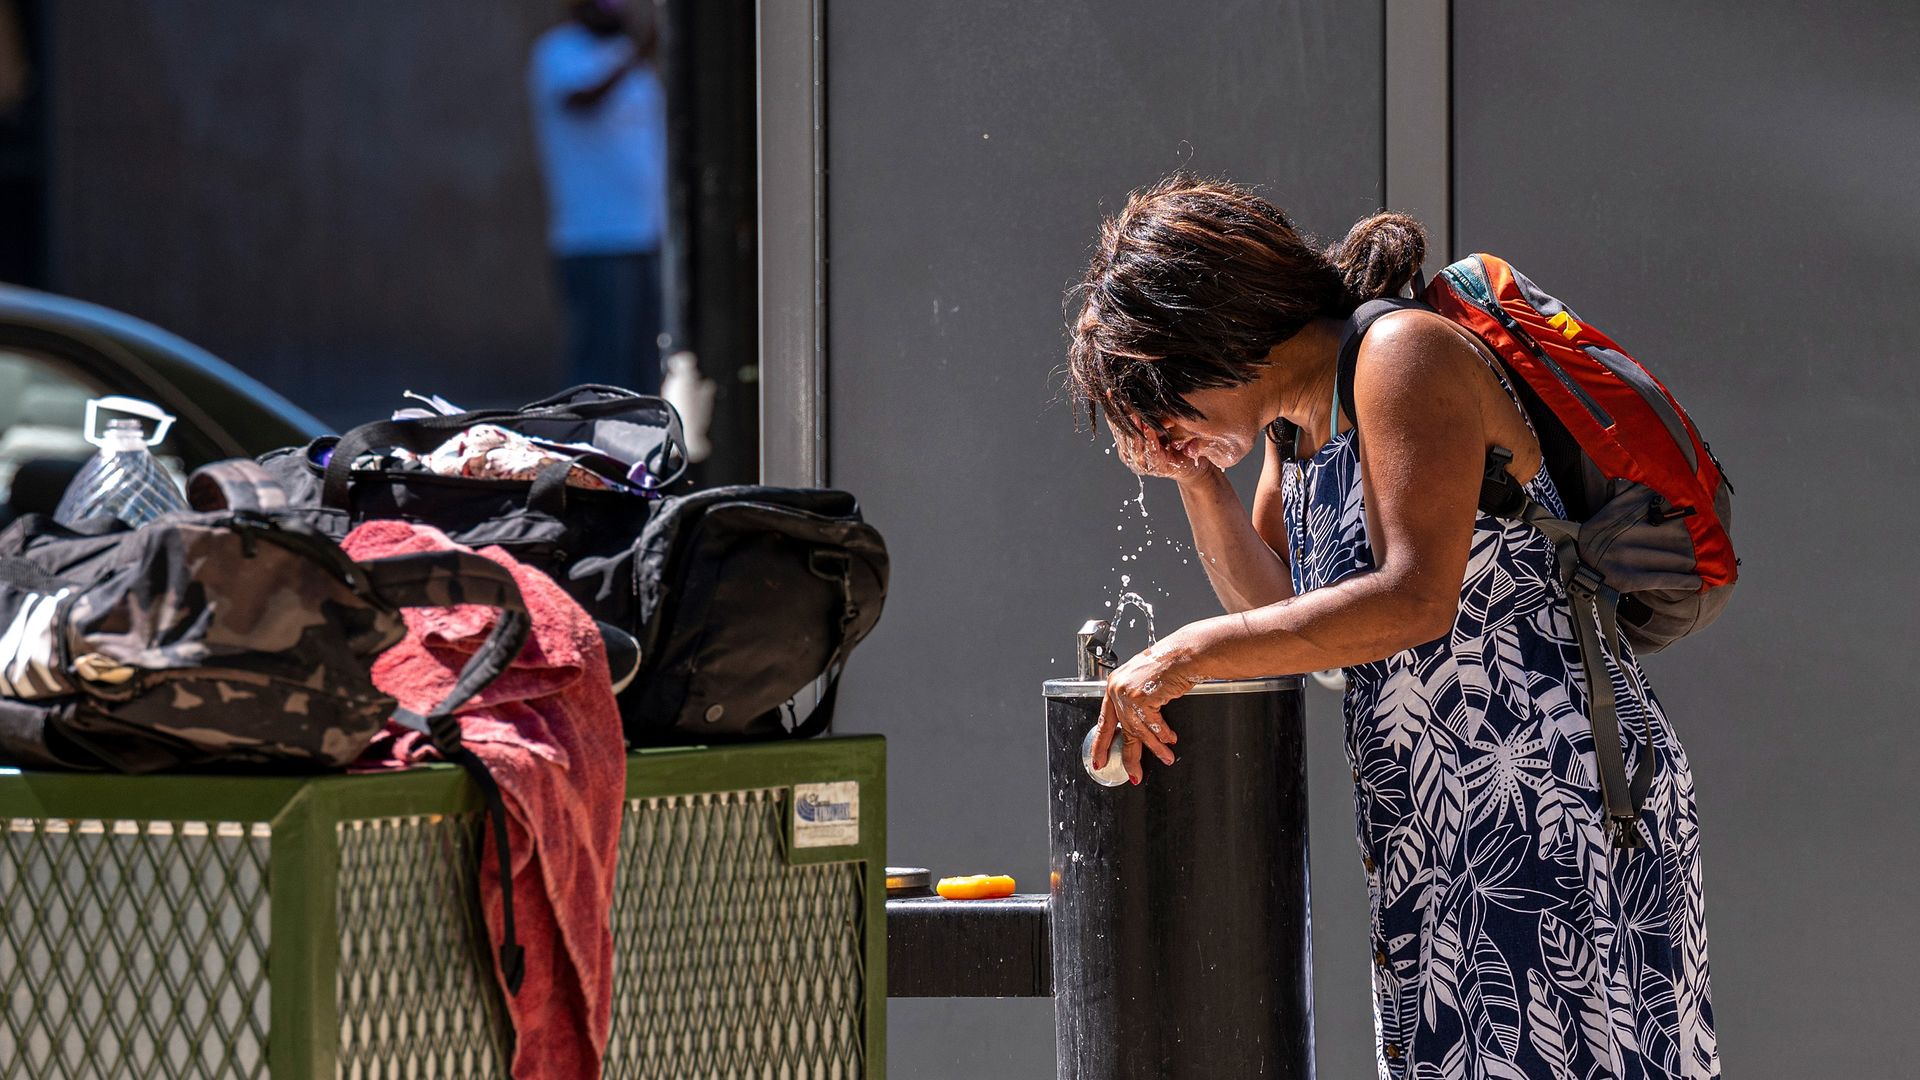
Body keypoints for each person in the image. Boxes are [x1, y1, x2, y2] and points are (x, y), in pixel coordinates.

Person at [1069, 176, 1718, 1079]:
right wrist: (1196, 477)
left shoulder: (1401, 356)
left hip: (1551, 808)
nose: (1161, 428)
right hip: (1432, 824)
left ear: (1210, 335)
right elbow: (1283, 617)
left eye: (1164, 401)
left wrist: (1184, 654)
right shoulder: (1295, 429)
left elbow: (1414, 599)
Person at [528, 0, 668, 393]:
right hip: (594, 238)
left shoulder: (627, 53)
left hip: (647, 233)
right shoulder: (559, 50)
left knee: (647, 366)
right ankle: (590, 449)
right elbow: (581, 100)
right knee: (602, 366)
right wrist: (637, 56)